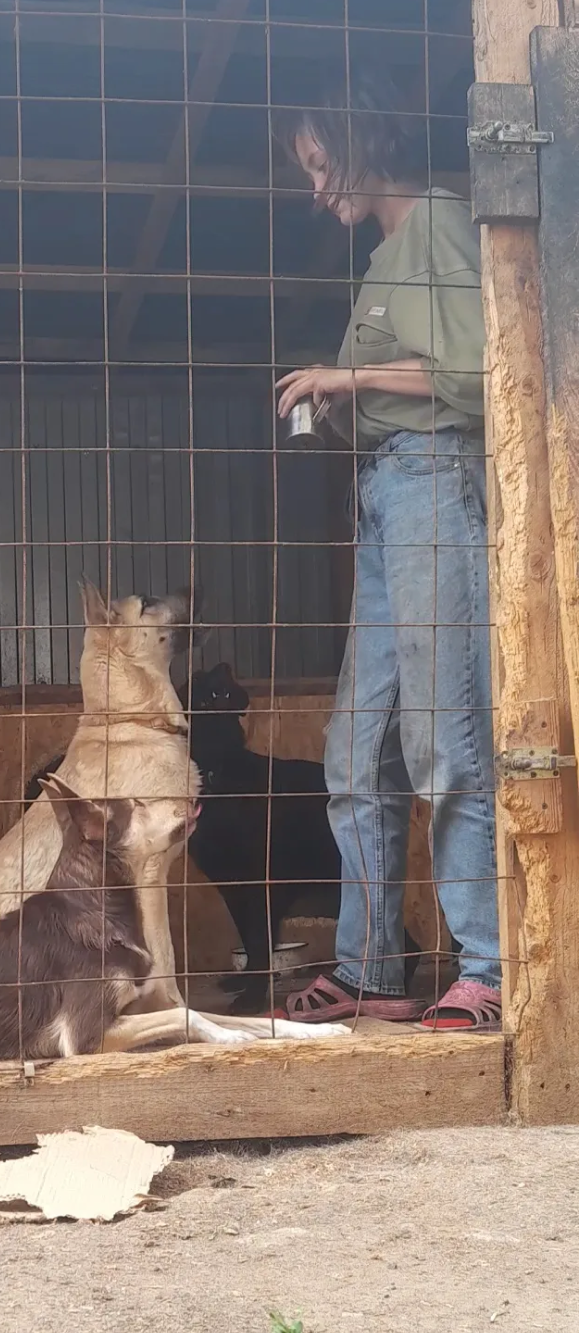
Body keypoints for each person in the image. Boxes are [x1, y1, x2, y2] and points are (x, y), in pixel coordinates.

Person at [273, 70, 501, 1031]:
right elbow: (401, 383)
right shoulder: (380, 259)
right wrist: (339, 402)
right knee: (352, 751)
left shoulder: (440, 222)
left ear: (362, 142)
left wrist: (348, 372)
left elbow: (476, 374)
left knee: (443, 738)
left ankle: (487, 966)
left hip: (436, 484)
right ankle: (369, 970)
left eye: (321, 164)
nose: (317, 187)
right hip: (384, 493)